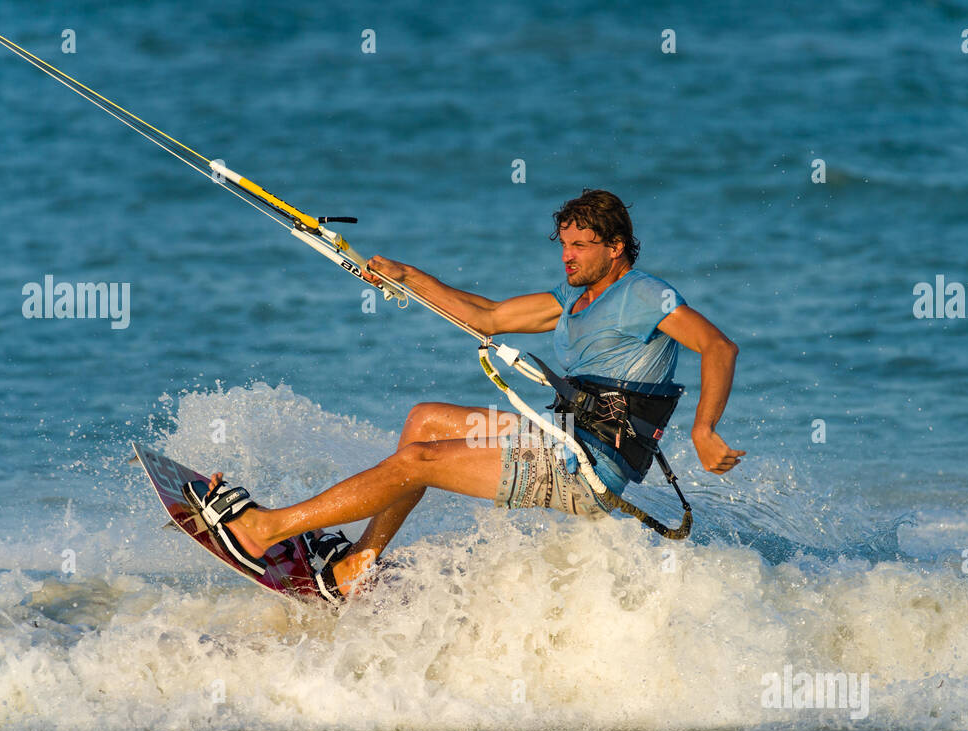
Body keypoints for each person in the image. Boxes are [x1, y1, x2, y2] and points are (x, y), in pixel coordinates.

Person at [188, 189, 743, 602]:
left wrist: (703, 429)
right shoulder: (570, 301)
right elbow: (488, 316)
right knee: (425, 420)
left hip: (590, 466)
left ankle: (265, 529)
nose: (567, 256)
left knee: (417, 462)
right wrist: (405, 275)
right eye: (564, 245)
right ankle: (359, 564)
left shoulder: (643, 294)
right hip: (563, 437)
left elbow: (719, 346)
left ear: (616, 247)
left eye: (580, 245)